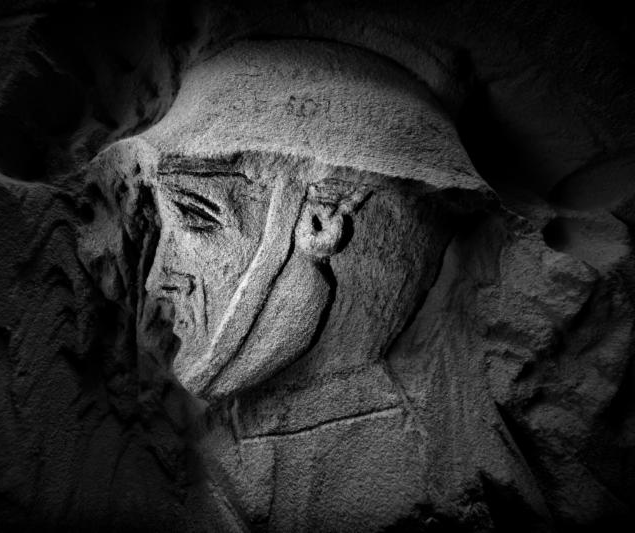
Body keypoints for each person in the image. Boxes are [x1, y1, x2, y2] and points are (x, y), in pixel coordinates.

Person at [89, 38, 550, 531]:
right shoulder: (194, 463)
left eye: (196, 217)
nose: (160, 277)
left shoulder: (421, 472)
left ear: (321, 222)